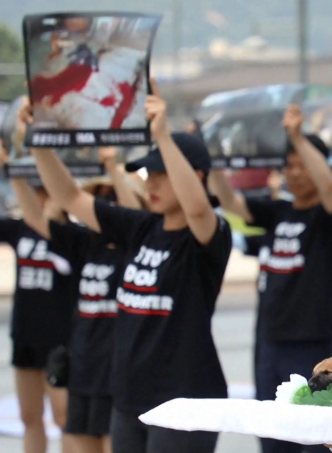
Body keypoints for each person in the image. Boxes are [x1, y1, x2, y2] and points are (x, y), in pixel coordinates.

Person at [25, 79, 232, 453]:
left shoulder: (207, 234)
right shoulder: (141, 227)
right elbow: (70, 196)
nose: (151, 182)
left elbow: (199, 210)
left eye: (161, 173)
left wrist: (163, 136)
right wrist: (39, 142)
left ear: (196, 175)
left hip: (185, 399)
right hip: (128, 397)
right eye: (149, 174)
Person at [208, 104, 332, 453]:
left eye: (303, 164)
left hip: (313, 344)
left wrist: (297, 137)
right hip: (270, 342)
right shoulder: (277, 212)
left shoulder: (328, 216)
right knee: (273, 436)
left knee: (314, 439)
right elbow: (230, 201)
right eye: (288, 165)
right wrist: (210, 160)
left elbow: (329, 189)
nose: (294, 173)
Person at [5, 133, 145, 452]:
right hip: (83, 367)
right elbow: (37, 219)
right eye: (98, 197)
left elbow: (136, 217)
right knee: (73, 439)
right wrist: (13, 170)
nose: (106, 204)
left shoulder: (138, 248)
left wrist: (113, 171)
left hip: (117, 372)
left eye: (111, 197)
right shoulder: (86, 244)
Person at [0, 140, 73, 453]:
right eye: (38, 191)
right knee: (29, 416)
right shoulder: (21, 229)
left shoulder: (74, 237)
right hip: (25, 334)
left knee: (64, 417)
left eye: (47, 191)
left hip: (60, 338)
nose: (42, 197)